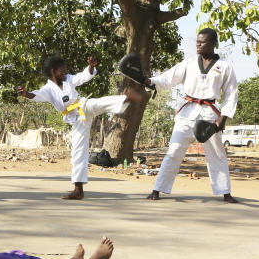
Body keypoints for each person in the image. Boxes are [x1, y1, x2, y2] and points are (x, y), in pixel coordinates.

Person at [17, 54, 142, 200]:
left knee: (97, 103)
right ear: (53, 71)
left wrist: (91, 67)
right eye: (61, 70)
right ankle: (78, 190)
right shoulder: (48, 89)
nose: (64, 72)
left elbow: (82, 76)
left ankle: (126, 98)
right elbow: (36, 95)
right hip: (76, 121)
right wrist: (26, 94)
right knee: (78, 152)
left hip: (83, 105)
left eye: (65, 69)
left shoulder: (69, 79)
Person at [144, 28, 239, 203]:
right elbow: (167, 78)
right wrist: (150, 81)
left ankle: (225, 192)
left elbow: (231, 94)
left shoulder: (224, 67)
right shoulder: (188, 63)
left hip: (210, 115)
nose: (198, 44)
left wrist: (222, 118)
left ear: (213, 44)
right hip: (187, 113)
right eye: (197, 41)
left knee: (217, 154)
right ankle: (157, 189)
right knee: (173, 151)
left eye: (202, 42)